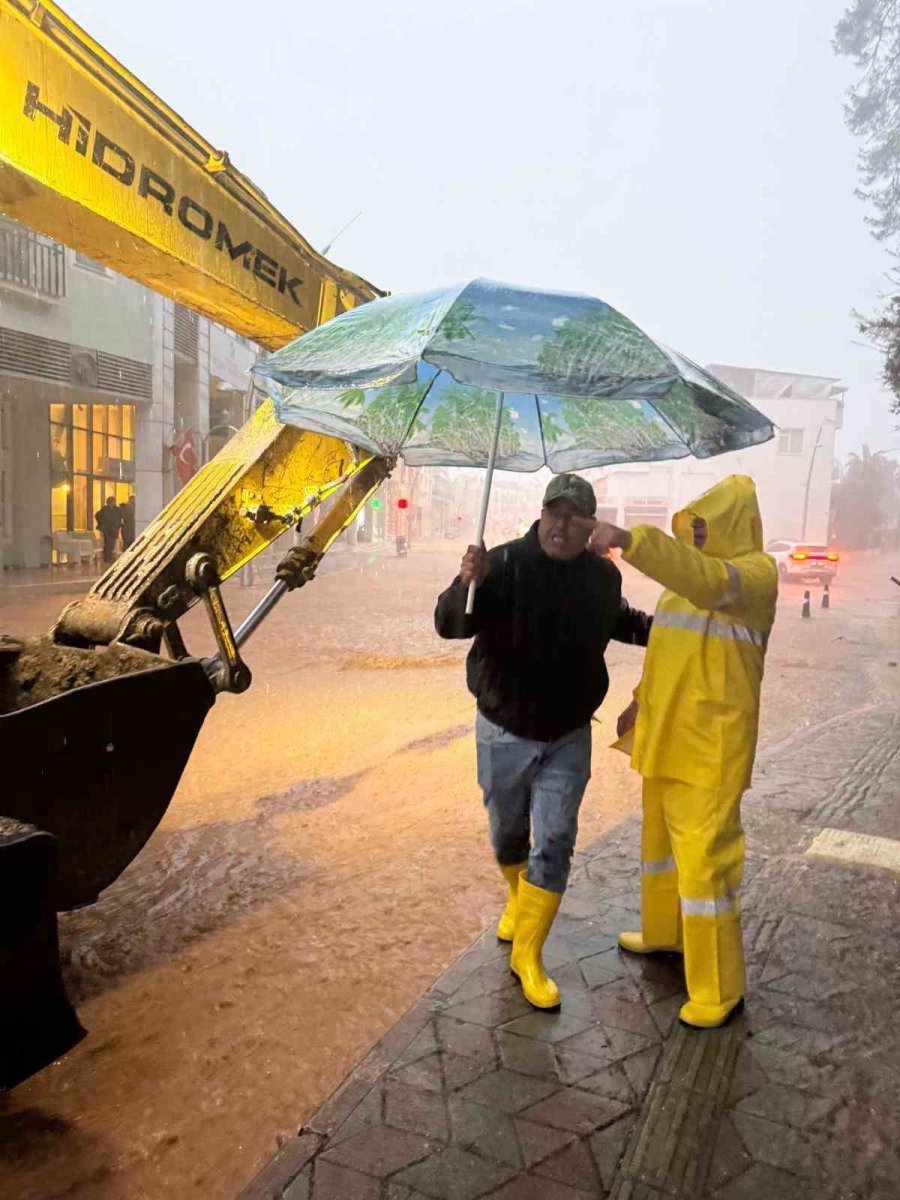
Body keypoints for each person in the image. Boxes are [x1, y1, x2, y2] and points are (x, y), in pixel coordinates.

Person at [435, 473, 652, 1010]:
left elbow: (618, 621)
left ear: (590, 526)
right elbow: (450, 626)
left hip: (568, 735)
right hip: (503, 729)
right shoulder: (502, 564)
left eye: (574, 517)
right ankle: (518, 898)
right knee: (508, 834)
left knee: (554, 841)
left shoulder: (603, 578)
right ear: (541, 514)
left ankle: (528, 956)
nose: (560, 525)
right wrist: (466, 581)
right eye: (553, 512)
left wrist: (681, 627)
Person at [590, 475, 777, 1029]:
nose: (697, 535)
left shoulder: (754, 576)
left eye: (705, 525)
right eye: (692, 526)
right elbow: (666, 657)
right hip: (667, 740)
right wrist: (638, 704)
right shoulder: (680, 590)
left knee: (706, 869)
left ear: (733, 524)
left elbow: (710, 580)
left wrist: (627, 538)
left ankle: (718, 988)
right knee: (660, 850)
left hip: (712, 751)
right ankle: (663, 934)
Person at [95, 496, 123, 564]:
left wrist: (118, 524)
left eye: (114, 501)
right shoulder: (105, 509)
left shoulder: (117, 509)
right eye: (112, 502)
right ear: (109, 502)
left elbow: (120, 517)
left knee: (112, 543)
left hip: (114, 528)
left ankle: (110, 556)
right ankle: (107, 557)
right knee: (108, 543)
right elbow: (97, 515)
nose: (114, 503)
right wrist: (102, 524)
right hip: (107, 529)